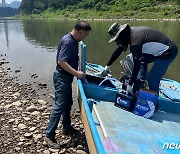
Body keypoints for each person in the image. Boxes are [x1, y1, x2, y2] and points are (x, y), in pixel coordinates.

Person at [45, 21, 91, 149]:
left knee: (68, 102)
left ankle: (66, 127)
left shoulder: (72, 40)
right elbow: (61, 61)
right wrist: (76, 73)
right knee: (59, 105)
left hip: (66, 77)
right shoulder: (68, 41)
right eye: (85, 35)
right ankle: (49, 135)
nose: (84, 37)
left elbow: (69, 57)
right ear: (81, 32)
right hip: (61, 77)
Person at [101, 22, 178, 94]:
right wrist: (107, 68)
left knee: (153, 79)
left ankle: (153, 102)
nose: (117, 42)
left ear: (121, 35)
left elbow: (137, 64)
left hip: (168, 51)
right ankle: (140, 83)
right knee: (132, 59)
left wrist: (130, 85)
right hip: (154, 51)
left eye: (117, 39)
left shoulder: (135, 41)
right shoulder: (129, 34)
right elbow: (118, 51)